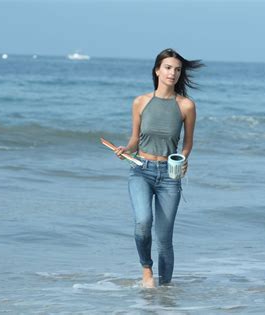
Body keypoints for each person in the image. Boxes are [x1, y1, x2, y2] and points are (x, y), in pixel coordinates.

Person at [114, 48, 204, 288]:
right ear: (157, 70)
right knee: (143, 222)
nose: (172, 73)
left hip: (169, 176)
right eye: (168, 68)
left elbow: (187, 143)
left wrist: (183, 159)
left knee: (164, 238)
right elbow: (135, 139)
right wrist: (126, 148)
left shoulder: (186, 106)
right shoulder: (140, 102)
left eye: (177, 69)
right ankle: (146, 271)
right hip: (140, 170)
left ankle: (165, 292)